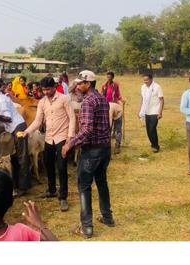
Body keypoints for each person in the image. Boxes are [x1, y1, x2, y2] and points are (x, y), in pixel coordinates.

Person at [61, 70, 114, 237]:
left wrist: (70, 144)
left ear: (88, 84)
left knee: (84, 187)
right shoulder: (102, 99)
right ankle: (107, 217)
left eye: (80, 83)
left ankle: (87, 227)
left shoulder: (88, 102)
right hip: (105, 149)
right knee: (102, 182)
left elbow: (87, 130)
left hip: (91, 151)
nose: (77, 86)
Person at [17, 76, 76, 211]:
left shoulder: (64, 99)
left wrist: (70, 137)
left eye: (48, 89)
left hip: (62, 137)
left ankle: (63, 197)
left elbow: (72, 118)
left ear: (54, 87)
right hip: (49, 137)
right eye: (43, 90)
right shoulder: (42, 102)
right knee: (48, 164)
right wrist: (27, 132)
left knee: (61, 167)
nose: (46, 92)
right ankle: (51, 190)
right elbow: (38, 121)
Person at [0, 78, 31, 194]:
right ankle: (17, 183)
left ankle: (24, 187)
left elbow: (8, 118)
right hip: (13, 128)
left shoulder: (2, 100)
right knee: (15, 156)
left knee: (22, 156)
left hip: (17, 127)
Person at [139, 72, 164, 153]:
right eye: (144, 80)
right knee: (148, 130)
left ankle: (156, 146)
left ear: (151, 79)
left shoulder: (157, 87)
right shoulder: (143, 87)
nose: (145, 82)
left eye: (147, 80)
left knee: (152, 129)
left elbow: (161, 100)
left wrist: (160, 112)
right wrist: (140, 110)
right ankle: (153, 144)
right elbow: (142, 99)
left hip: (155, 111)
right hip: (146, 111)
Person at [101, 71, 123, 153]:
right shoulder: (104, 85)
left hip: (115, 107)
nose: (109, 79)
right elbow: (101, 95)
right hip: (107, 107)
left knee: (118, 129)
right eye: (107, 77)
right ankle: (107, 145)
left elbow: (117, 94)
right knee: (108, 127)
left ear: (113, 77)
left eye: (110, 77)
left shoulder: (115, 85)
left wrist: (121, 99)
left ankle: (117, 145)